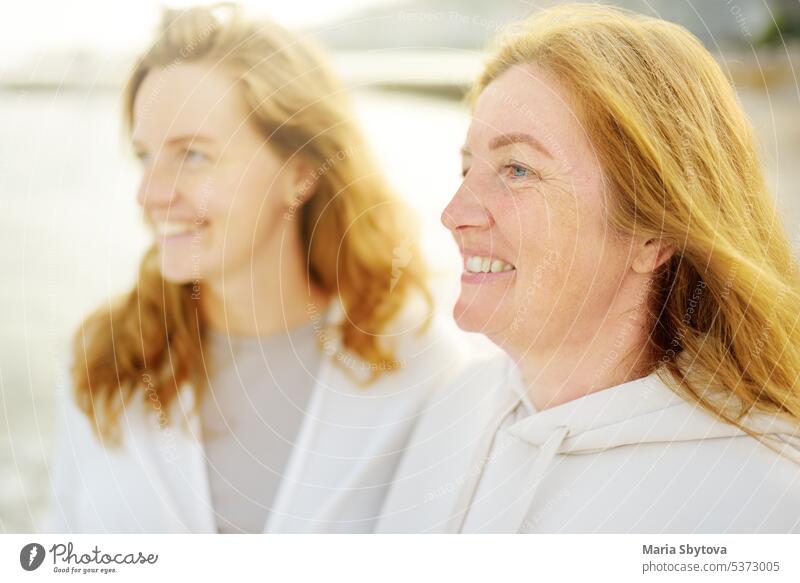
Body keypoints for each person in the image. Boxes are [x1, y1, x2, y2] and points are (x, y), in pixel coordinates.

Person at [377, 4, 800, 533]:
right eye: (467, 169)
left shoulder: (759, 504)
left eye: (517, 169)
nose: (453, 214)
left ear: (653, 232)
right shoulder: (452, 409)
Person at [46, 4, 461, 534]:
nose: (148, 193)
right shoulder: (102, 362)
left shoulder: (424, 370)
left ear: (301, 173)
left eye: (193, 154)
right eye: (146, 156)